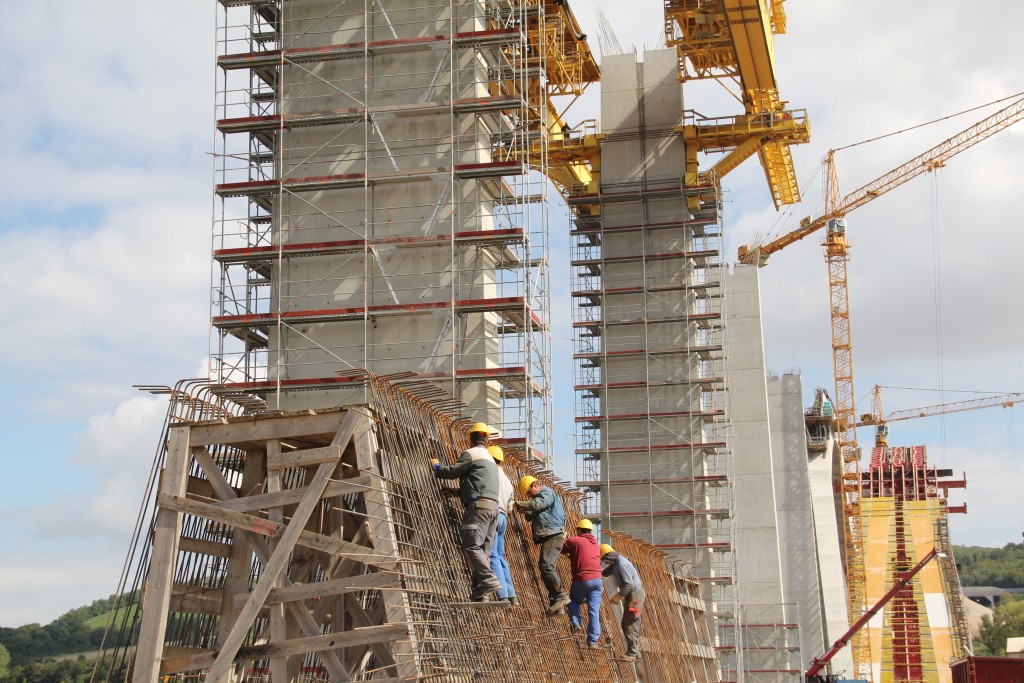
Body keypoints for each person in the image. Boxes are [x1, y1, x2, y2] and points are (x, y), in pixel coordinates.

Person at [431, 422, 503, 601]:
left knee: (471, 544)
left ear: (470, 439)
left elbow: (454, 471)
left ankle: (489, 580)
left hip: (479, 507)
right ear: (486, 440)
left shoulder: (472, 453)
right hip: (494, 509)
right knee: (483, 550)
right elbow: (479, 485)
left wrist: (438, 468)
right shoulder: (489, 460)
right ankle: (481, 590)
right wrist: (457, 492)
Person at [514, 475, 570, 614]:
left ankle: (561, 596)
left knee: (546, 565)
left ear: (534, 486)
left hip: (554, 534)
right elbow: (529, 515)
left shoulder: (547, 493)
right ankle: (557, 603)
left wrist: (519, 503)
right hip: (548, 535)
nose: (528, 496)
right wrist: (521, 508)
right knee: (544, 567)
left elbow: (536, 505)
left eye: (528, 493)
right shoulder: (537, 499)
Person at [561, 519, 603, 647]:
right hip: (597, 579)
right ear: (590, 531)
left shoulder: (574, 540)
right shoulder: (596, 544)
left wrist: (563, 538)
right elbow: (585, 555)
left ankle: (576, 622)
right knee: (594, 610)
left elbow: (560, 548)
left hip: (583, 577)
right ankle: (593, 640)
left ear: (579, 530)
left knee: (574, 601)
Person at [600, 543, 644, 660]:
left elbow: (628, 585)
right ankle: (635, 652)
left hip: (634, 597)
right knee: (632, 623)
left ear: (608, 557)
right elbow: (606, 572)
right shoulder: (616, 562)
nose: (605, 562)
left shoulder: (621, 565)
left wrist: (618, 596)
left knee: (628, 624)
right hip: (634, 596)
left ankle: (632, 653)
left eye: (605, 560)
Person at [487, 445, 517, 606]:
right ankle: (512, 594)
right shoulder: (507, 480)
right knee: (499, 555)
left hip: (494, 513)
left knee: (492, 555)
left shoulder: (491, 473)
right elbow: (511, 505)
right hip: (504, 517)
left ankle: (502, 595)